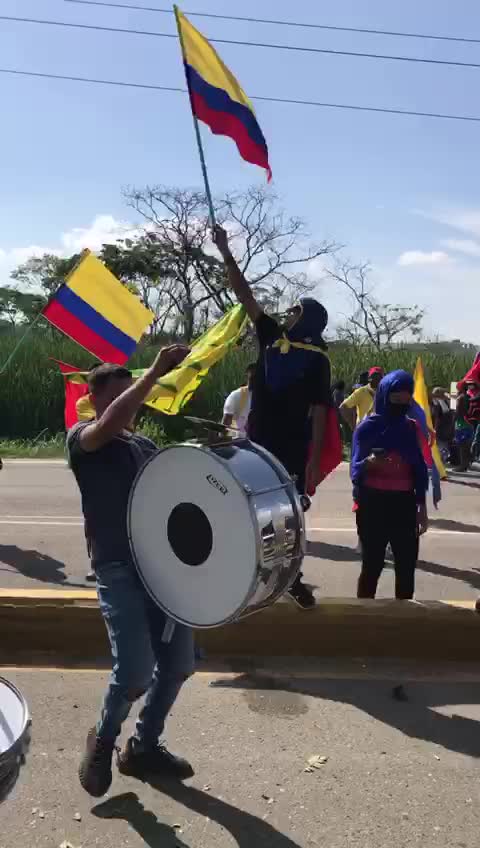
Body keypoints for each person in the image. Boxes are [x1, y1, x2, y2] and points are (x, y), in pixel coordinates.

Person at [66, 349, 195, 798]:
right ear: (94, 397)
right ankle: (103, 740)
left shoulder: (144, 446)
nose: (130, 401)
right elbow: (110, 424)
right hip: (118, 569)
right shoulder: (83, 438)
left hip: (163, 570)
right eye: (118, 394)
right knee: (135, 672)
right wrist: (154, 373)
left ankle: (143, 747)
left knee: (179, 664)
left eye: (132, 392)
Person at [213, 224, 331, 610]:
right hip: (256, 443)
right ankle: (243, 578)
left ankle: (290, 579)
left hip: (293, 448)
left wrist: (313, 461)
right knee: (247, 510)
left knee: (288, 519)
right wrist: (226, 251)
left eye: (296, 309)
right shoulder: (269, 336)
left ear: (308, 318)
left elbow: (318, 412)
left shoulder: (317, 360)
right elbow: (243, 294)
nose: (289, 312)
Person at [351, 370, 429, 600]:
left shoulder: (411, 428)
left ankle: (403, 622)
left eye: (406, 401)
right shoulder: (367, 428)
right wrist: (370, 462)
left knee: (406, 567)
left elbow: (420, 471)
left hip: (404, 503)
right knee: (372, 566)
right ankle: (363, 614)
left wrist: (421, 507)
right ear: (385, 397)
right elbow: (355, 470)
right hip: (372, 503)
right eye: (396, 401)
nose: (401, 406)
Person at [339, 367, 384, 431]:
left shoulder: (385, 392)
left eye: (379, 377)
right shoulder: (361, 392)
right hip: (364, 430)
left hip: (380, 431)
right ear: (369, 378)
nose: (376, 379)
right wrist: (352, 425)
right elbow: (343, 407)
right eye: (374, 376)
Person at [222, 363, 256, 436]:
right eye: (253, 377)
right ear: (247, 375)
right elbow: (226, 423)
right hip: (240, 443)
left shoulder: (268, 397)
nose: (255, 379)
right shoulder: (237, 395)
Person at [430, 387, 454, 464]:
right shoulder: (448, 402)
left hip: (440, 426)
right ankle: (443, 458)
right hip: (448, 426)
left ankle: (440, 460)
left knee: (440, 443)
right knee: (444, 444)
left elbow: (437, 417)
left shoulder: (437, 403)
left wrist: (435, 428)